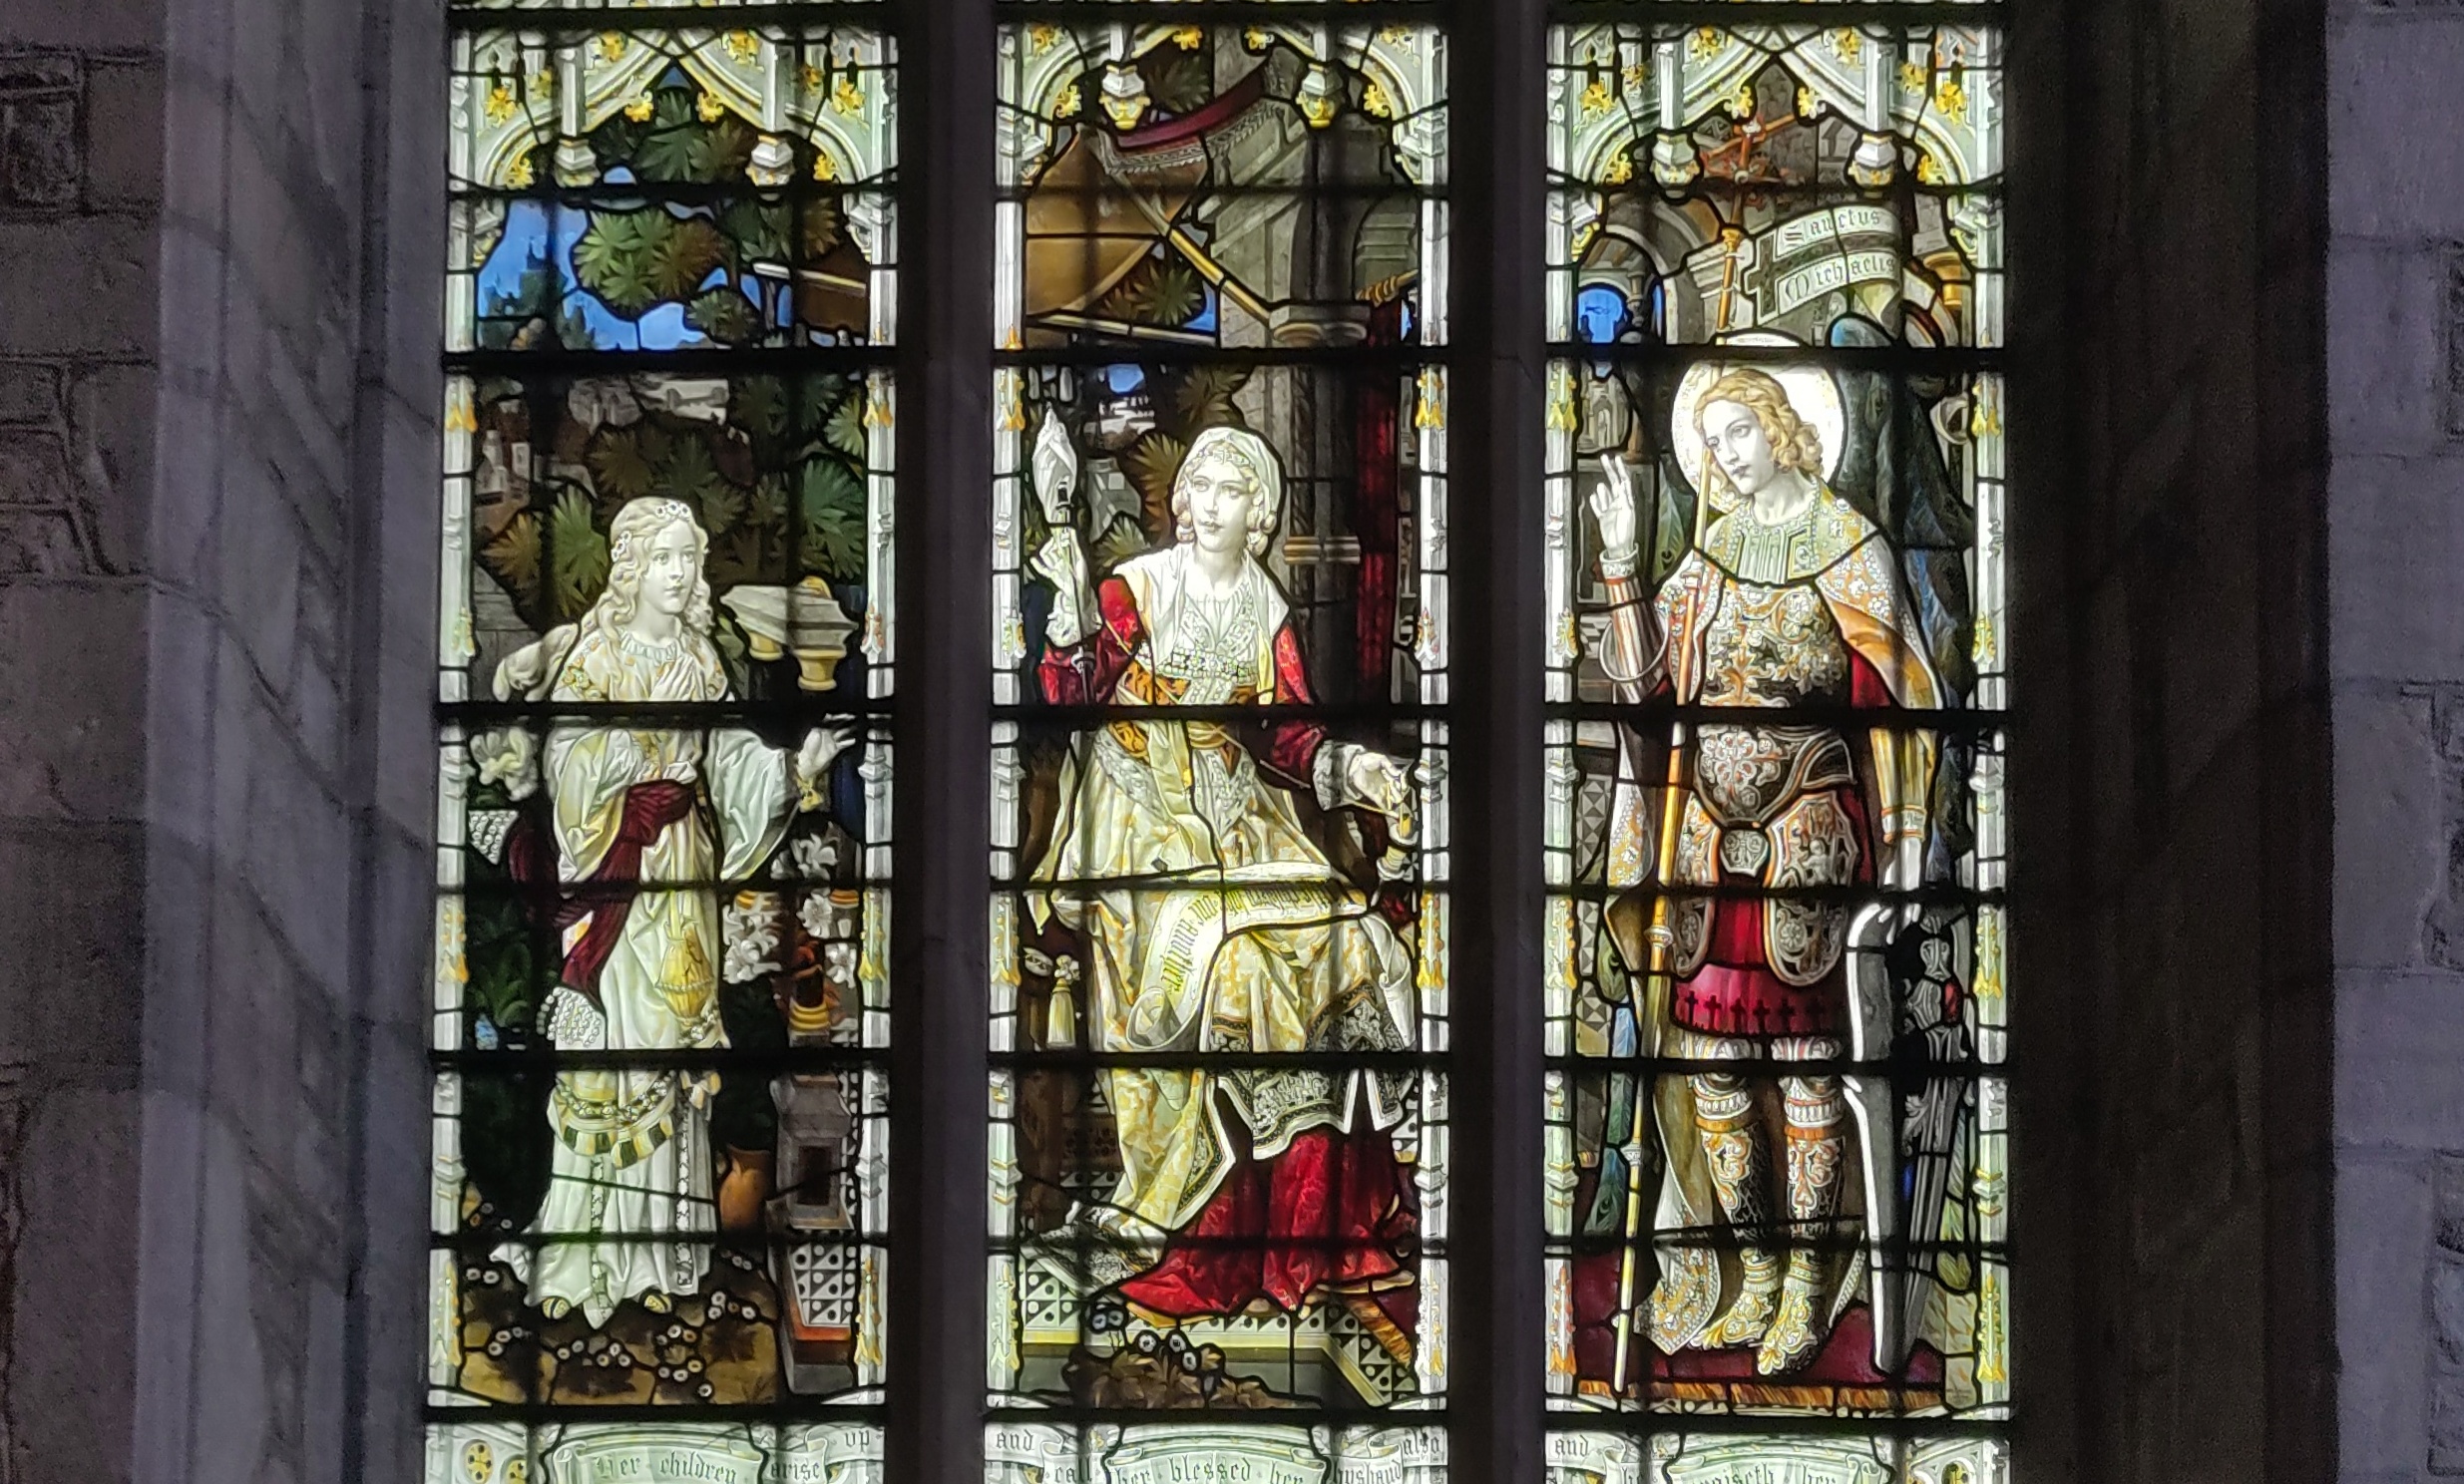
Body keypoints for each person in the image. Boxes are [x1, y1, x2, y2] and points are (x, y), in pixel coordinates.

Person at [1024, 415, 1422, 1361]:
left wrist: (1356, 768)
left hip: (1241, 813)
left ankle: (1315, 1225)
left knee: (1341, 940)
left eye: (1231, 490)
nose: (1208, 505)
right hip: (1137, 814)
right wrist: (1071, 624)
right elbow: (1071, 696)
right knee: (1229, 962)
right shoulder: (1133, 590)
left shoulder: (1264, 605)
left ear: (1263, 514)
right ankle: (1203, 1228)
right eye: (1197, 487)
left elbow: (1288, 734)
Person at [1587, 368, 1940, 1376]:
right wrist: (1621, 567)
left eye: (1739, 431)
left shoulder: (1849, 547)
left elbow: (1898, 701)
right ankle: (1752, 1274)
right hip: (1708, 842)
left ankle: (1806, 1291)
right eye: (1714, 440)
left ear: (1784, 429)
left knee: (1804, 1064)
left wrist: (1908, 840)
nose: (1727, 455)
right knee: (1712, 1060)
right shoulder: (1710, 553)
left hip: (1807, 836)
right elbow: (1645, 682)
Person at [494, 497, 849, 1326]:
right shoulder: (596, 657)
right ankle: (591, 1258)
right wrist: (624, 761)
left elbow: (726, 760)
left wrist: (794, 768)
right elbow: (567, 760)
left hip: (681, 875)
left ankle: (663, 1257)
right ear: (631, 568)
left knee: (673, 1056)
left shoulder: (698, 658)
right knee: (612, 1055)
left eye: (688, 559)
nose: (680, 574)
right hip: (616, 872)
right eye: (664, 559)